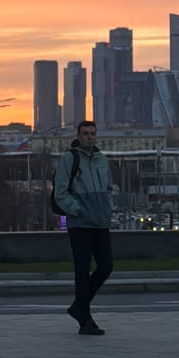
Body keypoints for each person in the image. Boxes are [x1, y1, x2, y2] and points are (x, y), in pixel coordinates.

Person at [53, 120, 113, 335]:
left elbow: (108, 189)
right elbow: (60, 192)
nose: (89, 137)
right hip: (79, 224)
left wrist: (108, 210)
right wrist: (76, 210)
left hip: (100, 223)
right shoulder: (70, 159)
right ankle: (85, 320)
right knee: (82, 271)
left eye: (93, 133)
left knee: (106, 267)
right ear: (78, 136)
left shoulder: (102, 160)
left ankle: (79, 306)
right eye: (85, 133)